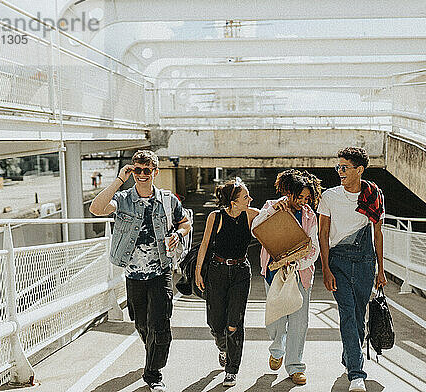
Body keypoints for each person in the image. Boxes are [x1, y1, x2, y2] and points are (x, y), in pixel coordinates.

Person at [89, 150, 191, 392]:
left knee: (160, 323)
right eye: (137, 170)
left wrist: (177, 234)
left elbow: (184, 223)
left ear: (155, 172)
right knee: (142, 325)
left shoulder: (168, 200)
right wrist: (118, 180)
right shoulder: (123, 198)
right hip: (134, 274)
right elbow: (96, 208)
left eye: (147, 170)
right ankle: (151, 350)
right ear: (132, 171)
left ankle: (153, 374)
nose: (142, 174)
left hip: (161, 271)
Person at [317, 147, 387, 392]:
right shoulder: (329, 196)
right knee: (347, 313)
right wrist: (325, 268)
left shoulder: (374, 195)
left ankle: (350, 357)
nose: (340, 171)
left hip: (366, 262)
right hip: (339, 262)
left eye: (344, 167)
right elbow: (322, 234)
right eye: (338, 167)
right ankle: (357, 375)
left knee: (358, 316)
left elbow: (377, 233)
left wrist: (381, 269)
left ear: (359, 170)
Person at [251, 170, 322, 385]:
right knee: (276, 319)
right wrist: (272, 210)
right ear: (288, 192)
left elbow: (314, 247)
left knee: (299, 322)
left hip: (300, 273)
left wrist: (297, 263)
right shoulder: (272, 207)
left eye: (306, 198)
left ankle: (295, 366)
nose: (302, 201)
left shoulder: (310, 216)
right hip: (274, 273)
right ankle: (277, 348)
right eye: (298, 196)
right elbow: (256, 229)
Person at [195, 178, 259, 387]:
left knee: (234, 323)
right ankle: (223, 347)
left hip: (241, 272)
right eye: (246, 197)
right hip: (217, 271)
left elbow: (272, 212)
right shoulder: (216, 217)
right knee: (216, 323)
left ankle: (231, 369)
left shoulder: (250, 215)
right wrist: (198, 271)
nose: (250, 199)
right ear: (234, 202)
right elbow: (204, 244)